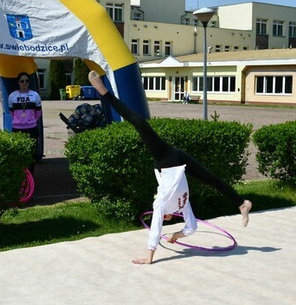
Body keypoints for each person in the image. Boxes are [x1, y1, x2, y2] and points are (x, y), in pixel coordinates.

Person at [88, 70, 252, 265]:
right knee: (140, 123)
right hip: (169, 158)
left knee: (211, 178)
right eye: (167, 219)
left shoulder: (176, 205)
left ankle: (242, 202)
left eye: (165, 218)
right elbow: (184, 228)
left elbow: (184, 228)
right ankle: (241, 203)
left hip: (171, 162)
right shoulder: (174, 205)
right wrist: (172, 238)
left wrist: (176, 235)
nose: (164, 218)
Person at [8, 72, 42, 172]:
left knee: (31, 154)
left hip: (32, 128)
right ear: (18, 82)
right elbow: (11, 112)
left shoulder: (35, 95)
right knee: (18, 154)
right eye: (22, 81)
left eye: (27, 81)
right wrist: (19, 120)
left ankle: (31, 176)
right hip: (17, 129)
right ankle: (20, 176)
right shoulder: (12, 96)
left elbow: (38, 112)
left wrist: (30, 120)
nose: (24, 83)